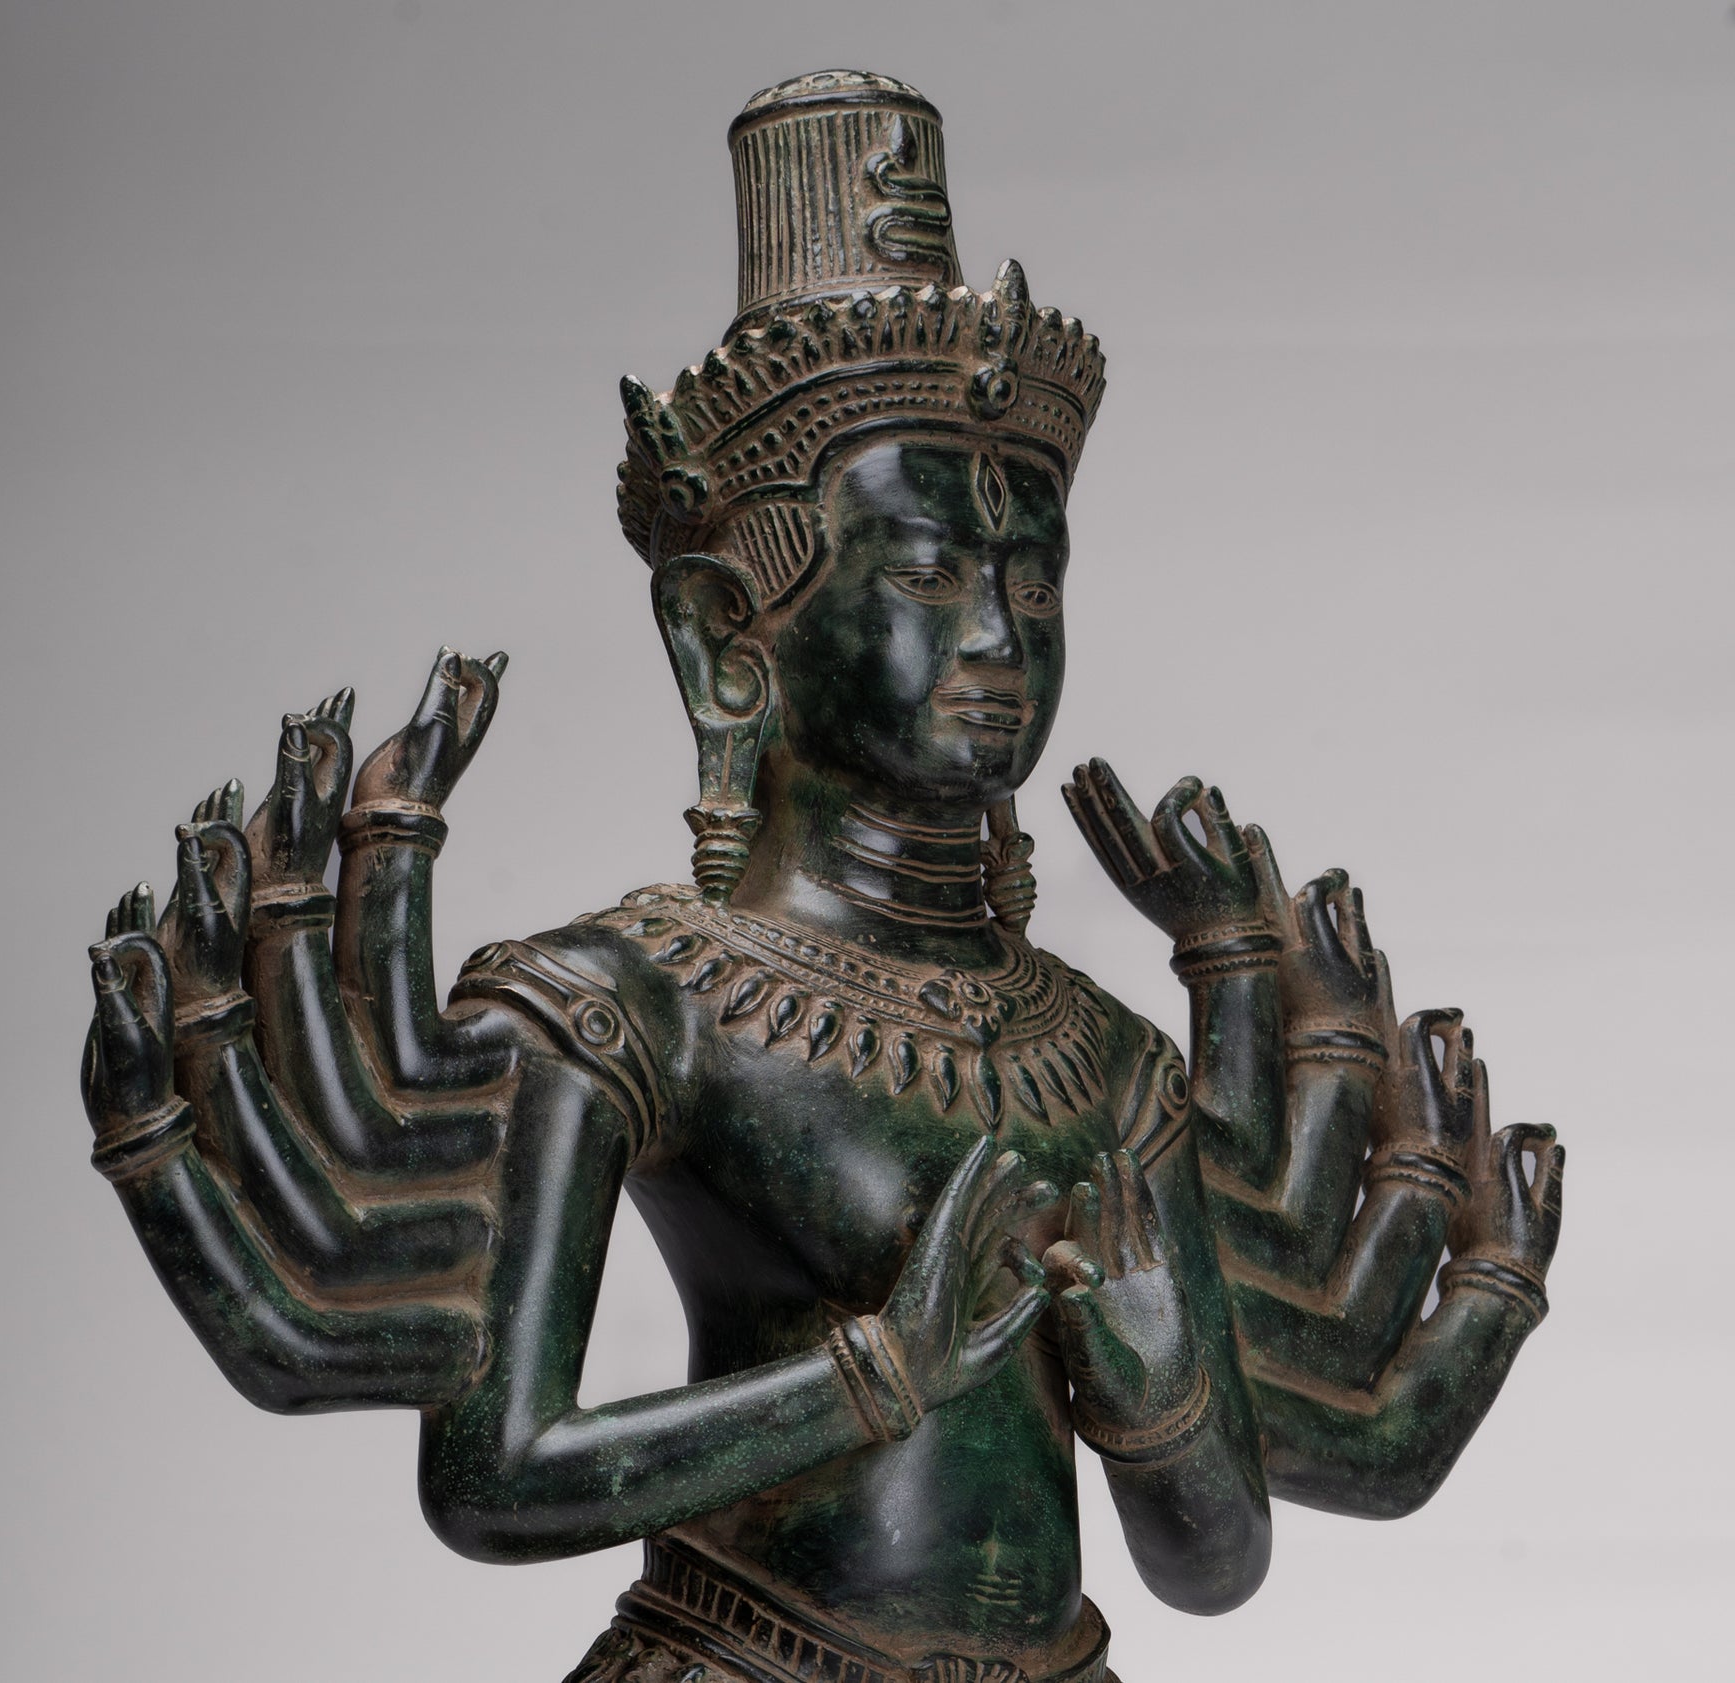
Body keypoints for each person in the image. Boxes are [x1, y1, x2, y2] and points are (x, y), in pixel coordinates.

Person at [80, 71, 1562, 1683]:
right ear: (729, 642)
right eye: (924, 573)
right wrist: (879, 1374)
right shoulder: (639, 1005)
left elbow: (1214, 1566)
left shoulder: (1109, 1066)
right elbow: (496, 1477)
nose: (997, 637)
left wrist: (1158, 1397)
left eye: (1032, 582)